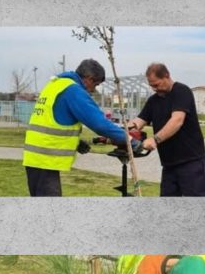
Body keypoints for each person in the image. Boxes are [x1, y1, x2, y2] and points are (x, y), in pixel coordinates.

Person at [22, 59, 143, 196]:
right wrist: (130, 140)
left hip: (36, 156)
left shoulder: (55, 85)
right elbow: (100, 124)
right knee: (50, 211)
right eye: (95, 84)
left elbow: (52, 120)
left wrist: (75, 142)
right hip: (45, 158)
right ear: (89, 79)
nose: (93, 90)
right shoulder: (74, 91)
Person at [127, 63, 205, 196]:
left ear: (166, 76)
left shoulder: (181, 91)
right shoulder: (153, 101)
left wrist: (155, 139)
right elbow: (139, 121)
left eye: (157, 84)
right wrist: (121, 129)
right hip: (169, 165)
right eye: (151, 85)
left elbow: (177, 120)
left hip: (191, 162)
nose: (154, 89)